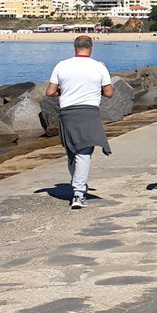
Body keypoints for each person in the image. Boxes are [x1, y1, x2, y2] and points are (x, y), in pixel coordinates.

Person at [45, 35, 114, 210]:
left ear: (74, 48)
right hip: (89, 112)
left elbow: (50, 92)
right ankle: (78, 193)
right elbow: (109, 93)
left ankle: (78, 185)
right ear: (91, 48)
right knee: (84, 151)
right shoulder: (99, 67)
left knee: (72, 150)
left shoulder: (62, 65)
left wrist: (65, 91)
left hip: (68, 112)